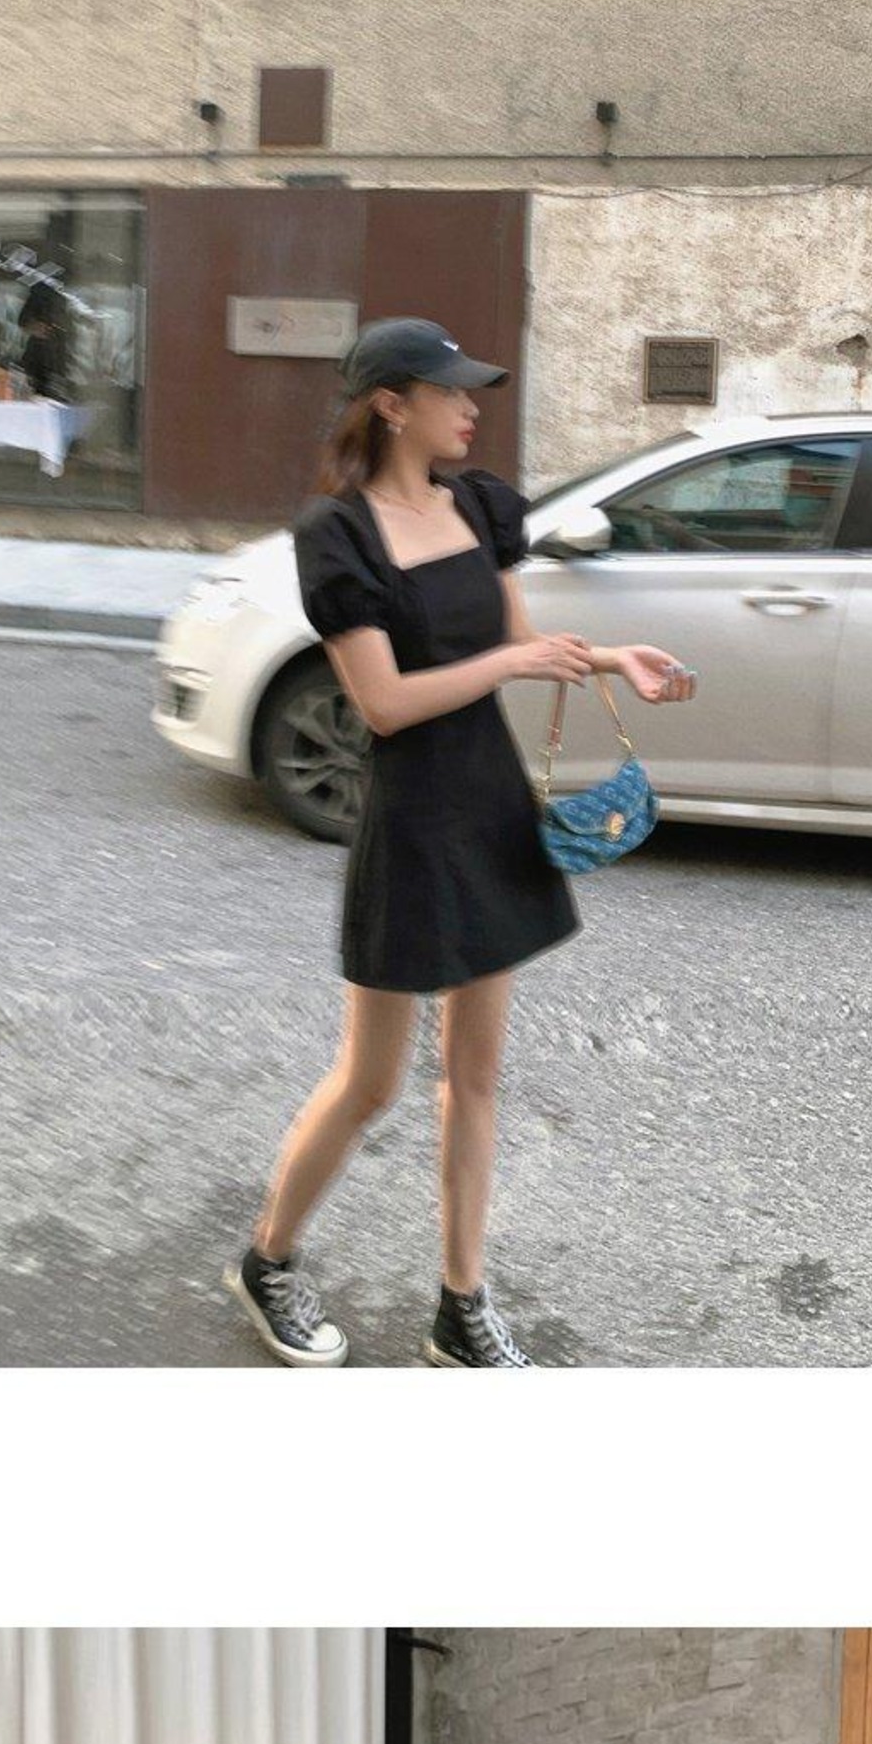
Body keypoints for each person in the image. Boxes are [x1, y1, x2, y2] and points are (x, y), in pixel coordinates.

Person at [225, 317, 693, 1371]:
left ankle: (461, 1304)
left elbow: (516, 643)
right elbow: (384, 704)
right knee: (372, 1082)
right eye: (451, 391)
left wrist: (612, 658)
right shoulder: (338, 535)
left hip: (490, 809)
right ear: (392, 405)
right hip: (412, 822)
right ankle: (267, 1260)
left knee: (476, 1079)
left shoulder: (479, 507)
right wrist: (510, 668)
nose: (471, 407)